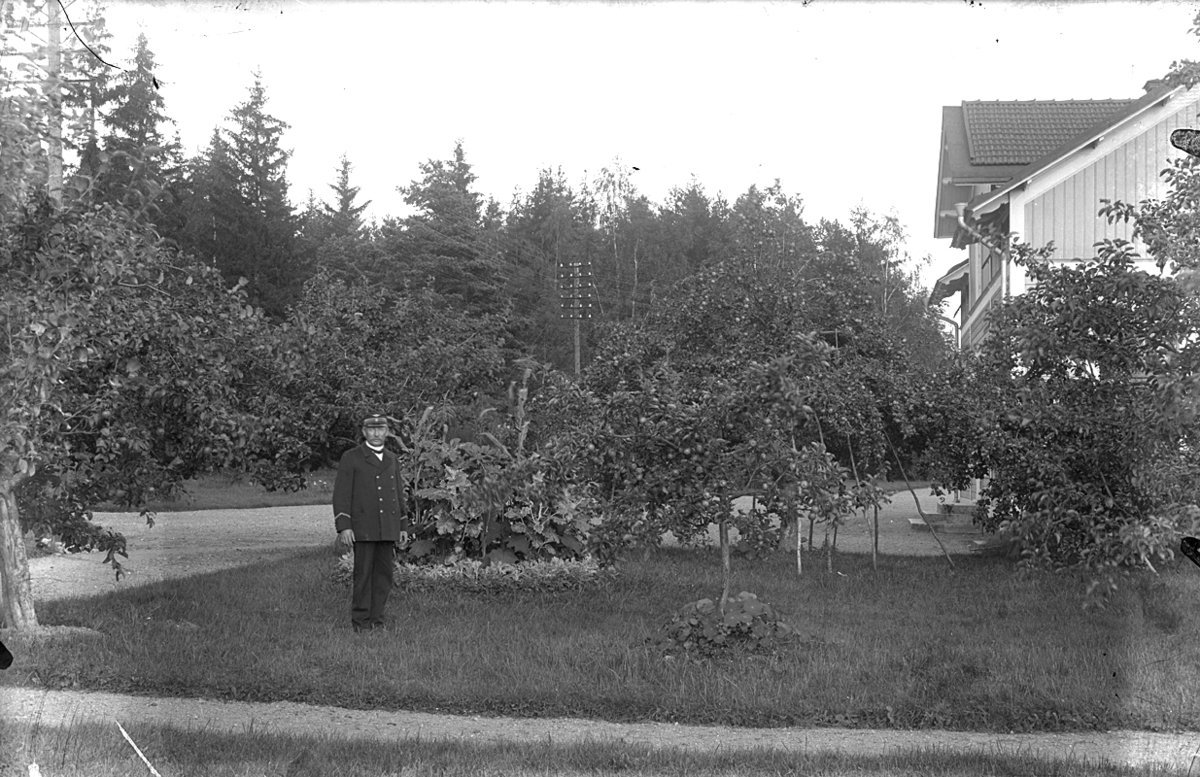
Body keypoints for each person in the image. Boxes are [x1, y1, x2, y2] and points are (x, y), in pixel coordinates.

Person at [333, 414, 411, 632]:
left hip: (387, 526)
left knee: (384, 576)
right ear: (364, 432)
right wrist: (344, 525)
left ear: (387, 432)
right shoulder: (352, 457)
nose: (376, 434)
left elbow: (398, 495)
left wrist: (402, 526)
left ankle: (377, 620)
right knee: (363, 574)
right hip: (363, 526)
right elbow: (341, 494)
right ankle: (360, 622)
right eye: (371, 429)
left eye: (381, 429)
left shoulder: (392, 459)